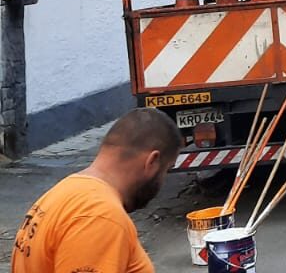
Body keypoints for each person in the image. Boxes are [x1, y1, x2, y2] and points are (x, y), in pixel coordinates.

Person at [12, 108, 183, 273]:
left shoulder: (62, 193)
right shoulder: (100, 216)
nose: (163, 180)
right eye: (166, 170)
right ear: (152, 162)